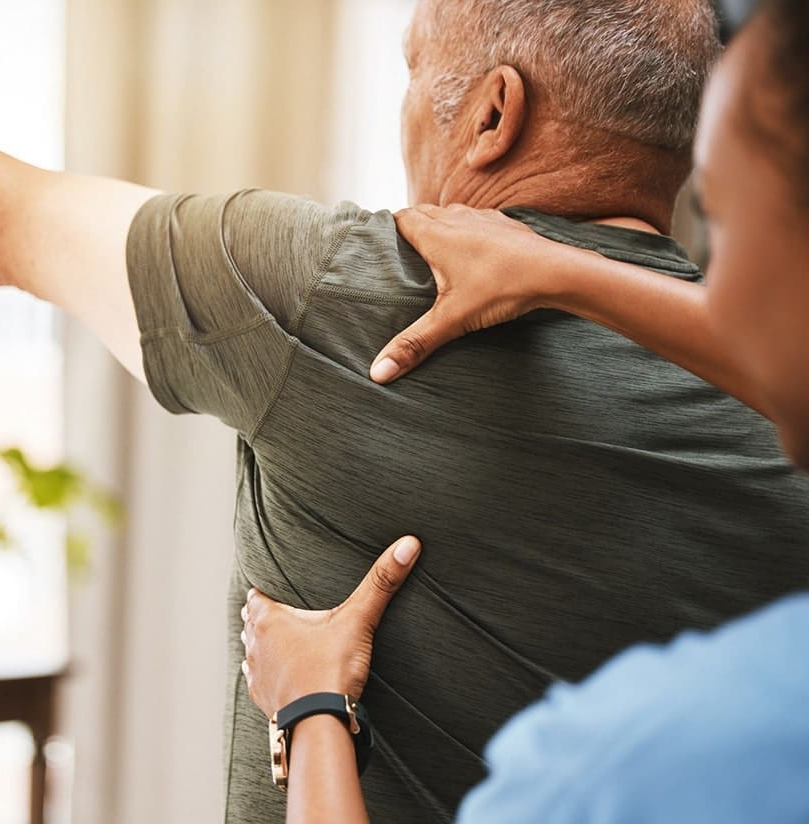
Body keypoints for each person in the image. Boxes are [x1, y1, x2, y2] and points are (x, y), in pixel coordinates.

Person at [0, 1, 809, 820]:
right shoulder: (780, 364)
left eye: (415, 73)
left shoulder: (356, 289)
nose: (404, 115)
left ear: (493, 117)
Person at [241, 0, 809, 820]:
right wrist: (566, 272)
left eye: (718, 213)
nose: (707, 288)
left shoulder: (624, 763)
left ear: (494, 113)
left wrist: (309, 707)